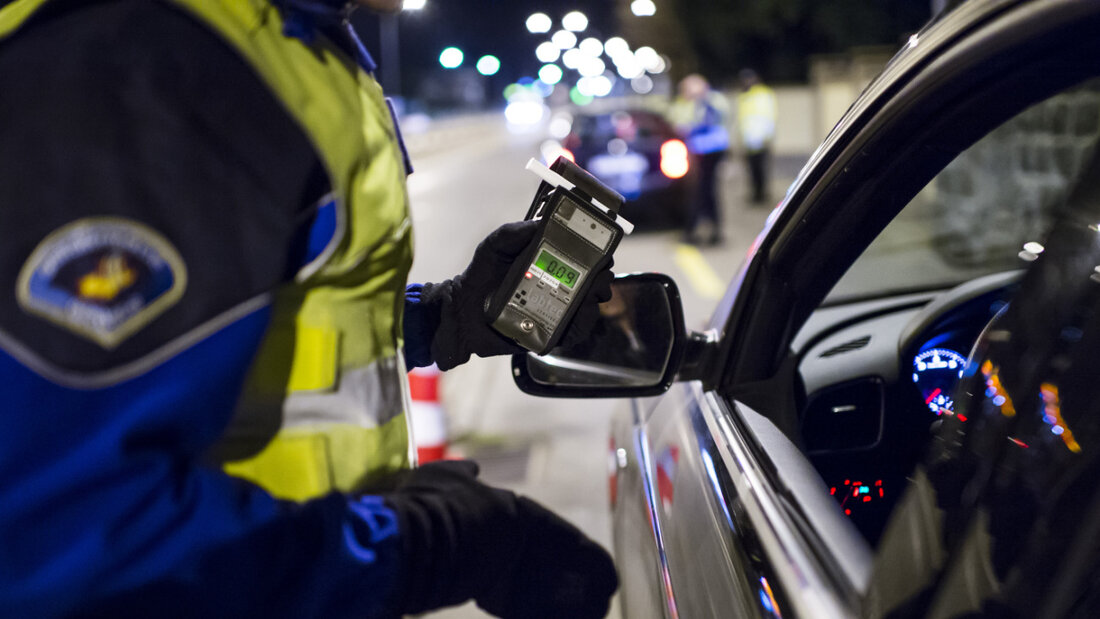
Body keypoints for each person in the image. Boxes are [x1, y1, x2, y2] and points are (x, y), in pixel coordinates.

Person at [0, 0, 617, 617]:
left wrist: (442, 318)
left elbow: (242, 349)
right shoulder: (153, 65)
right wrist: (425, 546)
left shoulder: (281, 47)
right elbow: (52, 529)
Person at [668, 73, 732, 246]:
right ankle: (705, 229)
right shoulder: (687, 103)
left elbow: (713, 120)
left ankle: (706, 230)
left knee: (704, 190)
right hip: (697, 152)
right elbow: (678, 123)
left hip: (711, 151)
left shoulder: (712, 101)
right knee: (701, 191)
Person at [736, 68, 778, 206]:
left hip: (761, 139)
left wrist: (768, 135)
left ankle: (762, 194)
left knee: (761, 168)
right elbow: (743, 119)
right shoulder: (744, 96)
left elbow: (769, 115)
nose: (746, 82)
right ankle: (756, 193)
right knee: (752, 168)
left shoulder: (763, 94)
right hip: (749, 140)